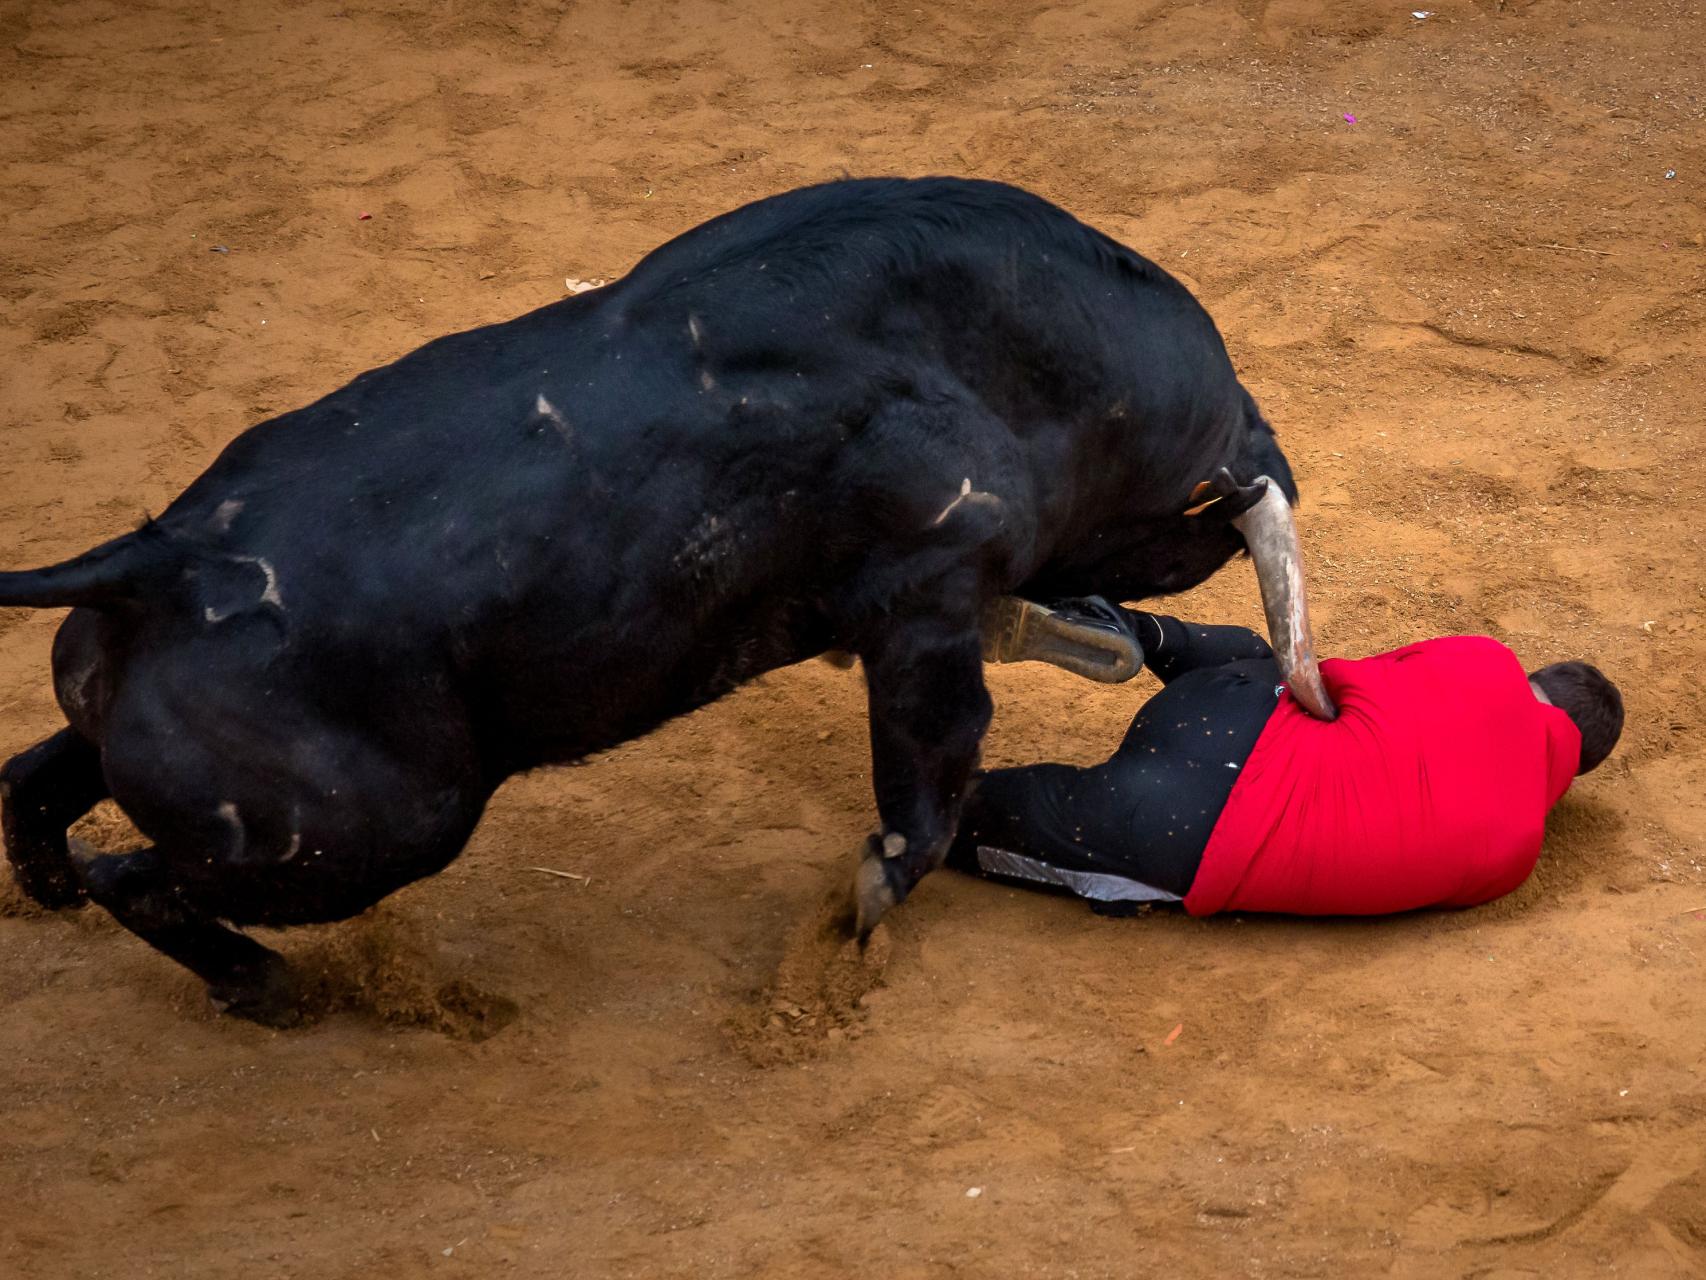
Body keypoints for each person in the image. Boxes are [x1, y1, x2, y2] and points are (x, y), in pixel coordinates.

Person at [953, 600, 1623, 917]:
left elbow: (1332, 680)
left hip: (1231, 705)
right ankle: (939, 818)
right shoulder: (1516, 855)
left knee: (1260, 655)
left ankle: (1138, 632)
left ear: (1540, 679)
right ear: (1574, 770)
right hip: (1190, 830)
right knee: (969, 818)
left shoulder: (1484, 661)